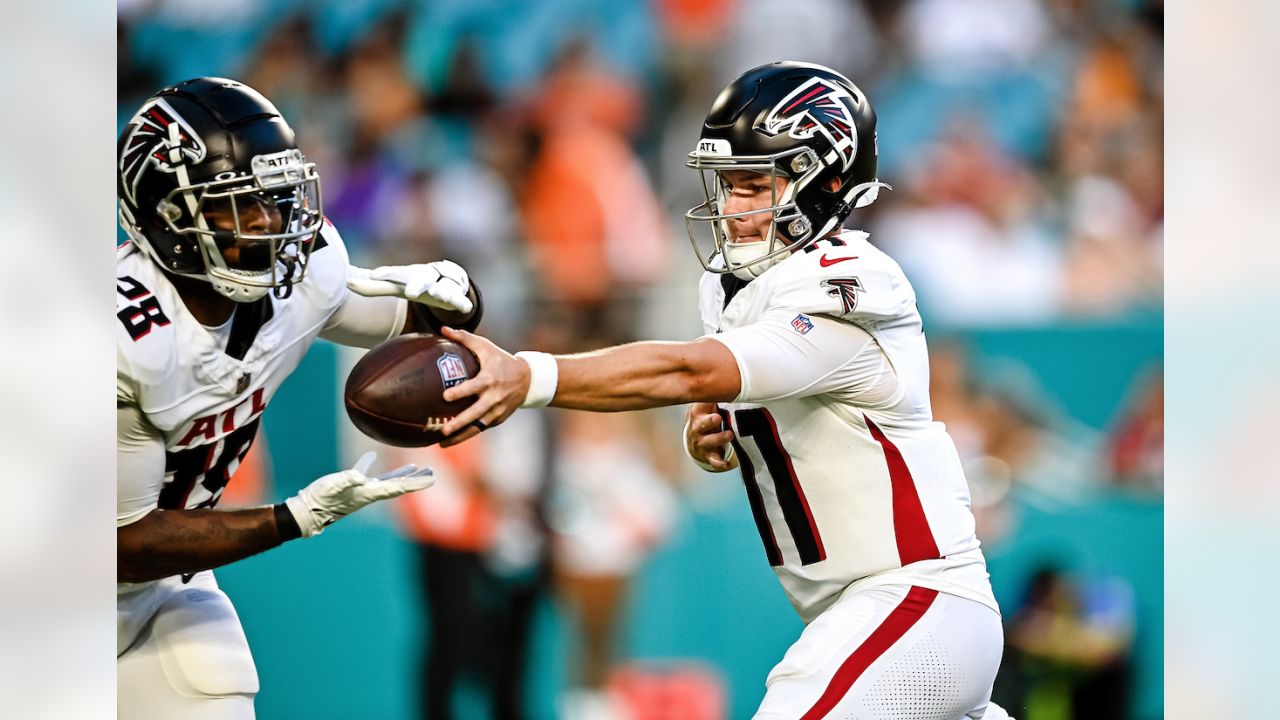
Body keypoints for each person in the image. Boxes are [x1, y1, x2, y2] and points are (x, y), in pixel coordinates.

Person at [435, 62, 1014, 719]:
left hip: (914, 599)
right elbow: (735, 386)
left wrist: (531, 376)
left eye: (752, 185)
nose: (733, 208)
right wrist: (721, 427)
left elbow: (691, 370)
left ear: (826, 180)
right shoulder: (736, 286)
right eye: (726, 186)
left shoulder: (852, 282)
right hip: (864, 609)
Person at [116, 77, 483, 719]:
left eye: (274, 197)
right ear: (166, 215)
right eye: (237, 204)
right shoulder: (120, 339)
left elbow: (428, 325)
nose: (268, 222)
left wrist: (456, 293)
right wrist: (292, 518)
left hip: (159, 592)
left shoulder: (300, 278)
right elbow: (122, 541)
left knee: (215, 678)